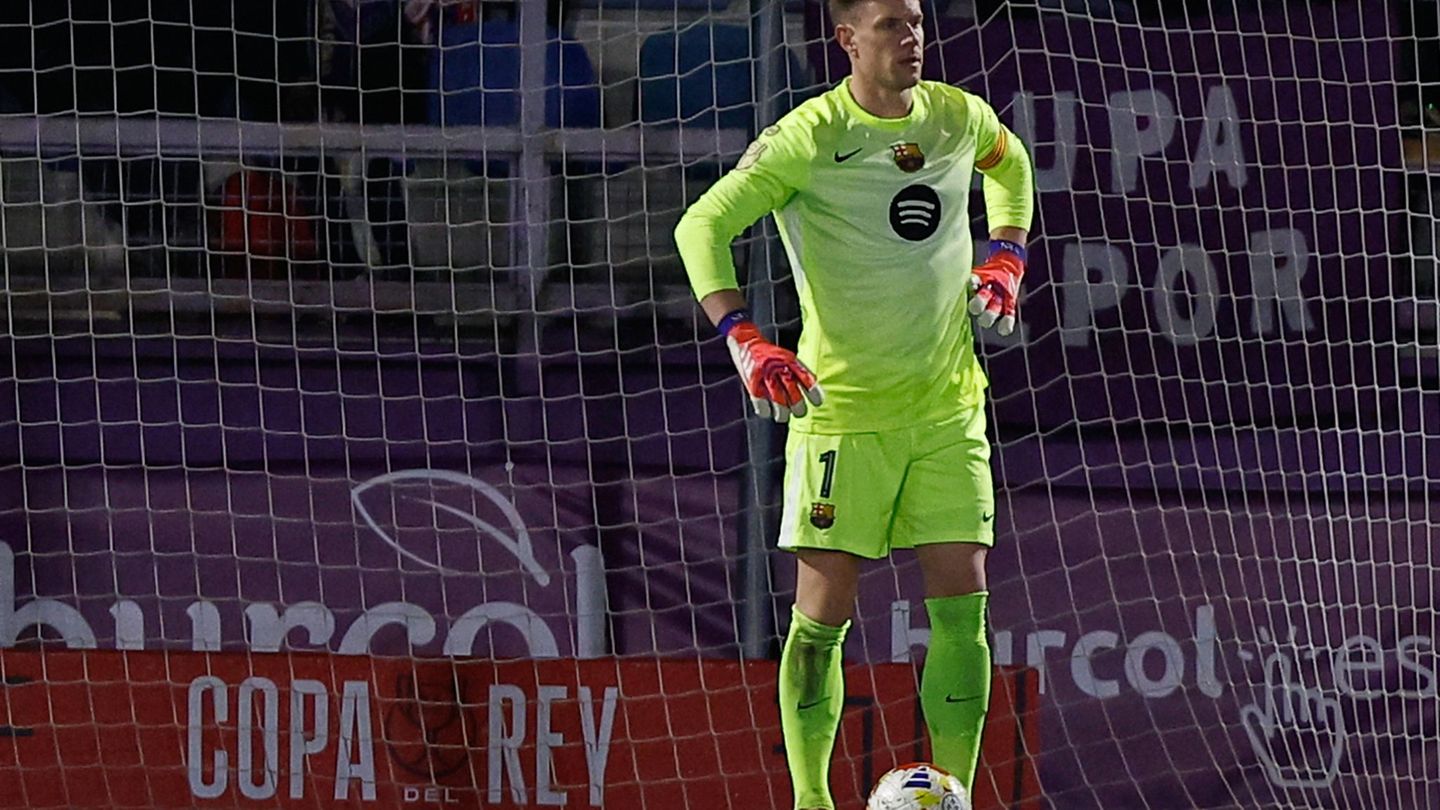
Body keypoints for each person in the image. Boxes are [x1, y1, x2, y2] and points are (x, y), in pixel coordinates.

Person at [672, 0, 1034, 807]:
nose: (911, 38)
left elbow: (1012, 166)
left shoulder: (954, 117)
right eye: (890, 25)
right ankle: (810, 800)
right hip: (840, 414)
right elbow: (701, 228)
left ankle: (957, 796)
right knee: (820, 621)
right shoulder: (807, 136)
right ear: (847, 40)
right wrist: (745, 339)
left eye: (916, 21)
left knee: (962, 610)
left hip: (946, 411)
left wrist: (1005, 253)